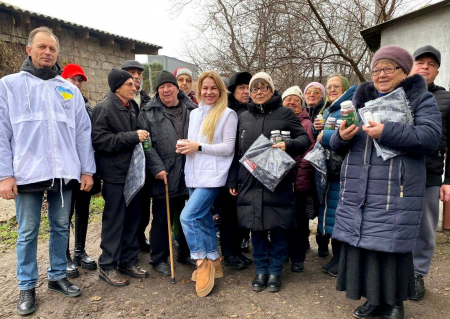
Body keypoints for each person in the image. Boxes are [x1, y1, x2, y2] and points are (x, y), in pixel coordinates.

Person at [330, 46, 441, 319]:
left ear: (403, 72)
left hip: (396, 190)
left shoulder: (420, 100)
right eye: (376, 69)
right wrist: (341, 137)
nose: (381, 74)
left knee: (391, 246)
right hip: (360, 188)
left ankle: (393, 303)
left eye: (388, 68)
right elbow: (335, 144)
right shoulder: (359, 102)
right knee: (363, 246)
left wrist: (387, 131)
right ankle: (373, 300)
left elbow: (430, 137)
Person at [0, 26, 96, 316]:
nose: (47, 52)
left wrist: (87, 170)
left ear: (57, 55)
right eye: (41, 47)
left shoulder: (68, 90)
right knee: (27, 231)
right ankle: (26, 286)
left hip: (64, 172)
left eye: (52, 49)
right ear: (29, 50)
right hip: (27, 172)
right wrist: (4, 174)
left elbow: (82, 133)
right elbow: (2, 132)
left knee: (58, 227)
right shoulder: (9, 85)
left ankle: (56, 277)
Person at [228, 72, 311, 293]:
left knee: (279, 228)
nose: (258, 92)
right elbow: (237, 152)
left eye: (264, 87)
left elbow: (305, 139)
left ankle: (275, 271)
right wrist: (233, 179)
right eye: (254, 88)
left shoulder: (285, 113)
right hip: (250, 180)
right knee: (256, 228)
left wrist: (289, 145)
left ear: (272, 90)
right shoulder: (244, 117)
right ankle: (261, 270)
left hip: (278, 180)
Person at [177, 70, 238, 297]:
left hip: (212, 177)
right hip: (193, 173)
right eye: (205, 88)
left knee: (188, 216)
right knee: (202, 218)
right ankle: (215, 261)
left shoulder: (228, 114)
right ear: (199, 90)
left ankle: (201, 261)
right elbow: (196, 143)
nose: (209, 92)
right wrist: (186, 145)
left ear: (220, 90)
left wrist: (198, 147)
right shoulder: (194, 114)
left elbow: (228, 148)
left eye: (213, 88)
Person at [92, 69, 150, 287]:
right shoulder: (104, 108)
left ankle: (128, 260)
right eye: (129, 84)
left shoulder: (130, 107)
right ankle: (107, 266)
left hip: (131, 173)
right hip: (115, 174)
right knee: (115, 220)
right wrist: (132, 136)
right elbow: (99, 141)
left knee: (133, 217)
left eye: (134, 84)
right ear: (117, 87)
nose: (134, 87)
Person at [137, 70, 197, 276]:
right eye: (161, 87)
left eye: (169, 85)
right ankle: (158, 257)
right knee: (162, 217)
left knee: (187, 216)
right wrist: (156, 167)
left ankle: (186, 252)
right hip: (163, 174)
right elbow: (146, 145)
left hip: (188, 172)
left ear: (177, 88)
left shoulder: (192, 110)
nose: (165, 90)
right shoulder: (148, 113)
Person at [409, 45, 450, 301]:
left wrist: (449, 181)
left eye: (431, 64)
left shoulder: (446, 99)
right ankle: (393, 272)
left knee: (424, 228)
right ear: (411, 66)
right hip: (397, 172)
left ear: (436, 71)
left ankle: (416, 273)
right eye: (420, 62)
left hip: (430, 173)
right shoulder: (398, 94)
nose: (425, 66)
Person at [312, 74, 357, 276]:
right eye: (329, 87)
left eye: (336, 86)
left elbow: (352, 132)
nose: (331, 90)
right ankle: (337, 258)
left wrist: (325, 136)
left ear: (345, 88)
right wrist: (317, 129)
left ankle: (343, 261)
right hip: (331, 172)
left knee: (339, 216)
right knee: (331, 214)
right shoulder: (331, 110)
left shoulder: (348, 108)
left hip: (343, 173)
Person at [61, 64, 99, 277]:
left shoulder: (86, 107)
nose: (76, 84)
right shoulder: (58, 105)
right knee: (64, 213)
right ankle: (63, 255)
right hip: (65, 169)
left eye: (80, 80)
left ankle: (79, 251)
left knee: (82, 209)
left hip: (84, 168)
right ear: (63, 81)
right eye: (73, 79)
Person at [215, 71, 253, 270]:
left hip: (247, 171)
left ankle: (238, 250)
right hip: (230, 171)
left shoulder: (254, 111)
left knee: (242, 216)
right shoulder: (228, 113)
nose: (246, 92)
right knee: (229, 215)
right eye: (241, 88)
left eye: (248, 88)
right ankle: (229, 253)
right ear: (233, 91)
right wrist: (231, 177)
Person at [282, 86, 315, 273]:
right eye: (288, 99)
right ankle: (284, 252)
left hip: (298, 180)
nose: (292, 102)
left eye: (296, 99)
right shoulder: (278, 119)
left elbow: (308, 154)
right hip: (281, 180)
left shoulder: (307, 124)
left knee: (299, 221)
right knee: (283, 219)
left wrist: (300, 180)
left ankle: (298, 257)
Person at [121, 60, 152, 253]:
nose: (137, 76)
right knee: (129, 206)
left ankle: (140, 237)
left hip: (145, 159)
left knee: (143, 205)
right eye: (132, 73)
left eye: (139, 73)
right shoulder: (122, 101)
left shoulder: (147, 101)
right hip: (126, 161)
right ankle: (127, 244)